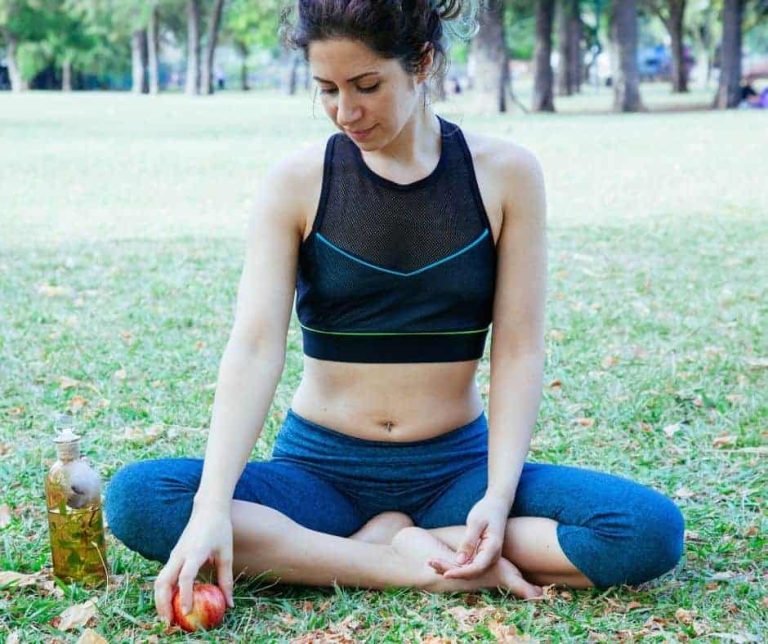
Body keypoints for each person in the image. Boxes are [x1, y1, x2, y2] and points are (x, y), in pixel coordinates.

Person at [104, 0, 686, 626]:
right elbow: (254, 346)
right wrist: (214, 503)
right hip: (320, 475)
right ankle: (408, 563)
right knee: (142, 499)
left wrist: (494, 495)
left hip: (454, 473)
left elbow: (518, 348)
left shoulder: (506, 175)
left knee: (646, 530)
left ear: (423, 63)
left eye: (367, 86)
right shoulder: (297, 181)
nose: (346, 111)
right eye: (326, 89)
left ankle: (383, 544)